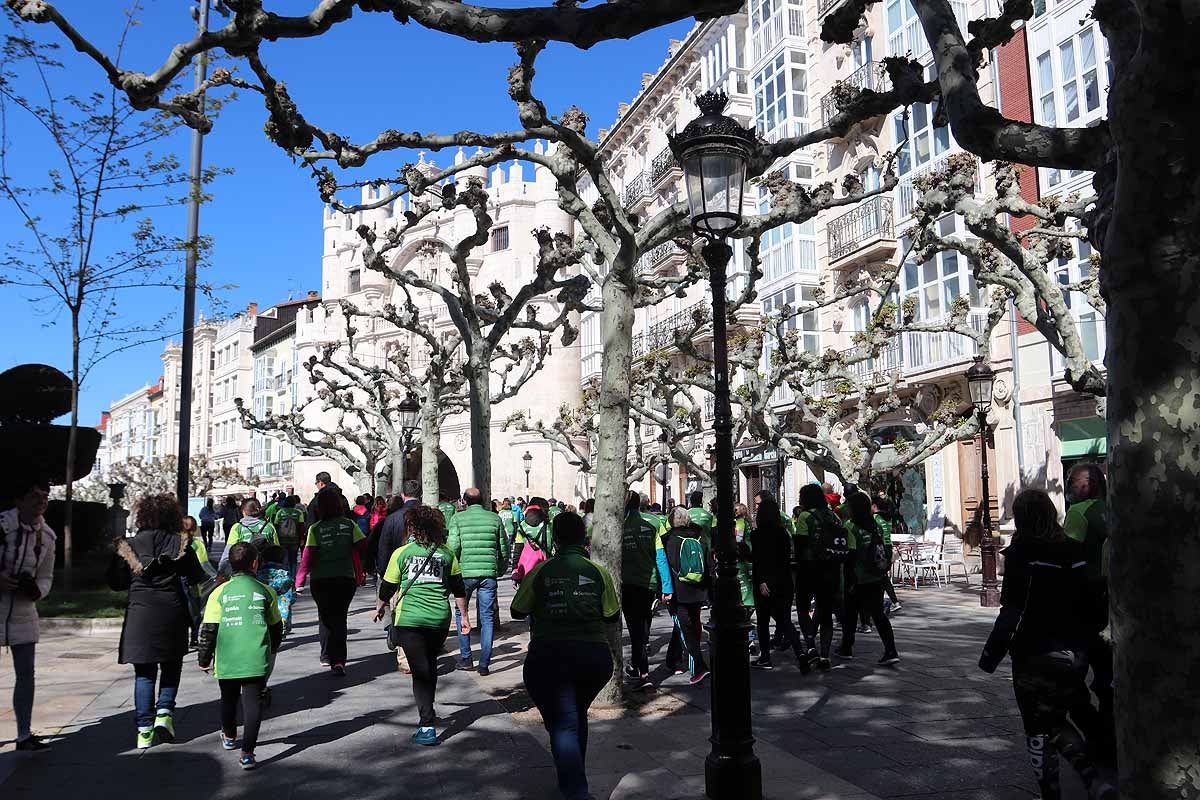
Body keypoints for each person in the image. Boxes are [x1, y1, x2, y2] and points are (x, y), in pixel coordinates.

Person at [980, 489, 1114, 800]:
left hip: (1035, 652)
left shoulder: (1022, 554)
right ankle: (1094, 781)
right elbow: (1092, 603)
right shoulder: (1074, 551)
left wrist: (991, 654)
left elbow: (1012, 609)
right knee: (1055, 718)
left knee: (1038, 726)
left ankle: (1061, 789)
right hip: (1073, 652)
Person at [512, 512, 619, 800]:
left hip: (549, 656)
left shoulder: (541, 571)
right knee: (573, 717)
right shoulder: (598, 572)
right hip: (594, 658)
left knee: (564, 723)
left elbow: (517, 610)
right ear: (584, 538)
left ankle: (575, 791)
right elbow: (612, 614)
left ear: (555, 539)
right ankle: (573, 780)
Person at [107, 493, 210, 749]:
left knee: (144, 674)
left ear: (142, 516)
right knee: (171, 666)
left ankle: (144, 731)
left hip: (140, 615)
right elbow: (197, 576)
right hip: (172, 612)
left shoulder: (128, 545)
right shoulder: (180, 544)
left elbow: (116, 582)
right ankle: (164, 714)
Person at [375, 504, 470, 746]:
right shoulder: (447, 553)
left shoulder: (402, 553)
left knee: (420, 671)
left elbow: (387, 586)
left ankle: (426, 725)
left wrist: (380, 606)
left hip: (410, 620)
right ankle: (429, 710)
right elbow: (459, 589)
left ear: (413, 528)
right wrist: (464, 616)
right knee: (430, 665)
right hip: (438, 619)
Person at [197, 541, 284, 771]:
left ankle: (229, 735)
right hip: (256, 656)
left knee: (228, 698)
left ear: (230, 565)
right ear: (255, 564)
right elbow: (276, 627)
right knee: (253, 703)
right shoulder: (266, 591)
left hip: (228, 657)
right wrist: (273, 648)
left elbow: (209, 629)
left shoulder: (218, 593)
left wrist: (204, 658)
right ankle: (247, 753)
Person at [0, 476, 55, 751]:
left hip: (23, 613)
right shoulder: (2, 526)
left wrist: (36, 591)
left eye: (45, 496)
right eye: (35, 495)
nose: (41, 501)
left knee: (26, 675)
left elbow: (46, 577)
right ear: (18, 500)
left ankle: (23, 735)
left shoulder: (47, 536)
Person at [1063, 461, 1113, 766]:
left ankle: (1098, 738)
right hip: (1111, 605)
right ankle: (1112, 739)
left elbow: (1068, 557)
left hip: (1084, 606)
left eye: (1072, 482)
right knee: (1108, 679)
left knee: (1069, 683)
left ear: (1085, 486)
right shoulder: (1112, 509)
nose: (1069, 487)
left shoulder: (1078, 513)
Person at [295, 486, 365, 675]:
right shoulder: (350, 525)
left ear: (320, 508)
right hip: (345, 578)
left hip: (321, 580)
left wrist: (300, 581)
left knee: (325, 617)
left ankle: (326, 655)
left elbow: (307, 557)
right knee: (340, 618)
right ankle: (339, 660)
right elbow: (362, 546)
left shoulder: (315, 529)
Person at [447, 487, 510, 675]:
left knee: (462, 613)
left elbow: (453, 548)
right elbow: (504, 548)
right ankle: (484, 663)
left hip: (464, 573)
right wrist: (499, 569)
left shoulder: (457, 519)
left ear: (464, 501)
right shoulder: (494, 519)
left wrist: (451, 573)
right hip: (488, 573)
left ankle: (466, 658)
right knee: (487, 617)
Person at [837, 492, 900, 665]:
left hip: (859, 578)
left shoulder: (850, 526)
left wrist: (848, 581)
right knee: (878, 614)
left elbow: (850, 555)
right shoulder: (875, 524)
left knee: (850, 614)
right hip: (877, 576)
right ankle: (891, 650)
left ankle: (846, 648)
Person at [750, 491, 807, 671]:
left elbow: (759, 560)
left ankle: (765, 657)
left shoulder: (757, 535)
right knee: (784, 619)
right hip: (784, 580)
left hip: (765, 582)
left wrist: (762, 581)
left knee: (763, 621)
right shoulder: (783, 533)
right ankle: (800, 653)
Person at [656, 506, 711, 684]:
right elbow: (708, 563)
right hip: (698, 590)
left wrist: (664, 590)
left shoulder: (668, 539)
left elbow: (663, 565)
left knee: (685, 628)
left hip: (678, 591)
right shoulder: (698, 536)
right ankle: (672, 660)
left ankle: (699, 667)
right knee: (685, 625)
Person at [796, 483, 848, 670]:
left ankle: (811, 645)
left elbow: (801, 544)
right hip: (831, 569)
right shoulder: (833, 516)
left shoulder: (805, 517)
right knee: (825, 613)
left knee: (802, 607)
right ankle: (825, 656)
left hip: (810, 568)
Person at [620, 489, 664, 688]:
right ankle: (639, 665)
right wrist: (666, 585)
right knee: (644, 625)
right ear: (640, 504)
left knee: (635, 629)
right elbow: (660, 557)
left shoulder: (619, 527)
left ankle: (643, 672)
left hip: (628, 583)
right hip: (649, 582)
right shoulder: (653, 524)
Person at [218, 498, 279, 574]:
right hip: (266, 571)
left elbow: (227, 553)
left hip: (243, 570)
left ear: (243, 511)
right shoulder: (269, 527)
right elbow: (277, 550)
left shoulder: (237, 527)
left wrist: (220, 571)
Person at [182, 515, 216, 648]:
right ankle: (194, 638)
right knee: (195, 613)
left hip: (176, 583)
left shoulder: (173, 542)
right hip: (193, 583)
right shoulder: (197, 544)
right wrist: (215, 575)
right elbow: (204, 564)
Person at [257, 544, 296, 635]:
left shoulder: (259, 575)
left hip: (263, 617)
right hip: (282, 618)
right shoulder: (286, 576)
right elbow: (293, 597)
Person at [511, 497, 551, 582]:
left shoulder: (522, 525)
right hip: (546, 568)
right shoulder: (549, 525)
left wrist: (515, 570)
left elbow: (518, 548)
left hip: (526, 569)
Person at [273, 495, 306, 578]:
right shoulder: (299, 512)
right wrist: (302, 539)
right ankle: (293, 578)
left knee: (284, 560)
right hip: (295, 540)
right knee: (293, 560)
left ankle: (285, 578)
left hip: (282, 540)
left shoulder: (280, 512)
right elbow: (301, 527)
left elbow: (276, 525)